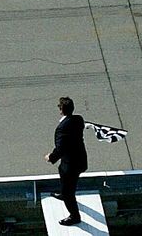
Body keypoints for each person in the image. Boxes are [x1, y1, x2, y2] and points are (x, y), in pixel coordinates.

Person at [45, 96, 87, 226]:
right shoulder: (78, 119)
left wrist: (51, 157)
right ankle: (63, 194)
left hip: (70, 164)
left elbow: (61, 147)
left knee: (69, 192)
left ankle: (74, 216)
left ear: (61, 110)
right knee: (66, 181)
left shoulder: (62, 128)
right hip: (80, 160)